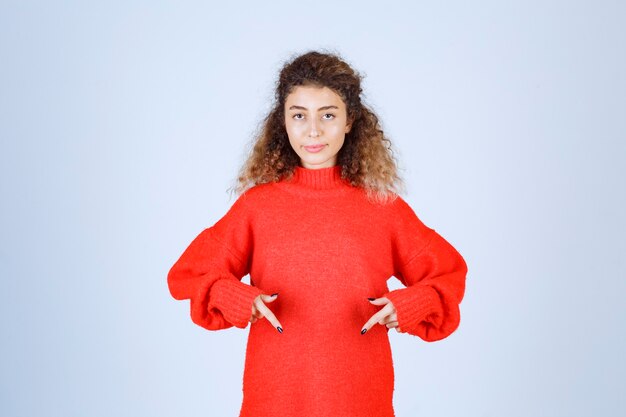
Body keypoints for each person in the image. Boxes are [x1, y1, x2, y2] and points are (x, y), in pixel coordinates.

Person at [167, 50, 468, 417]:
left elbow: (448, 274)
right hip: (274, 397)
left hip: (360, 397)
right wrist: (235, 297)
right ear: (283, 122)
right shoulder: (257, 206)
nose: (313, 130)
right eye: (299, 115)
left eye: (328, 115)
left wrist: (407, 305)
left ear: (349, 121)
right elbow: (189, 274)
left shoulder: (383, 207)